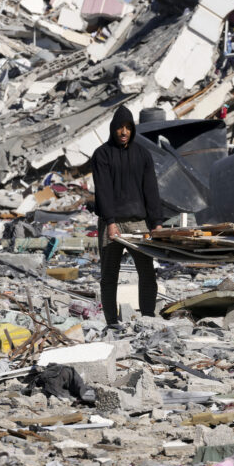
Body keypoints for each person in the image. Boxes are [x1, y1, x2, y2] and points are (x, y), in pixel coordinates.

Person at [91, 106, 163, 327]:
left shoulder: (142, 154)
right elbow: (103, 191)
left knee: (147, 273)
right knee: (109, 276)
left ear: (132, 129)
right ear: (113, 129)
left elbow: (150, 190)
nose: (123, 132)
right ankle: (112, 321)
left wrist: (157, 223)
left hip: (139, 223)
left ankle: (148, 318)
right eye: (120, 128)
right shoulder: (102, 154)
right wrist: (111, 222)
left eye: (128, 128)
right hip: (112, 224)